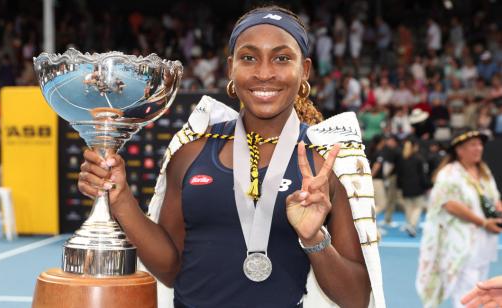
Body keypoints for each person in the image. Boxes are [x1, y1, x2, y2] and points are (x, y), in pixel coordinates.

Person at [78, 5, 384, 308]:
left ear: (304, 70)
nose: (264, 73)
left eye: (281, 58)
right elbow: (171, 270)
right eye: (249, 58)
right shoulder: (191, 152)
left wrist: (315, 238)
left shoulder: (325, 164)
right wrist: (121, 200)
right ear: (230, 68)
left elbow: (356, 297)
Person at [416, 130, 502, 308]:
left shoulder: (483, 171)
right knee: (466, 293)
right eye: (473, 145)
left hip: (484, 243)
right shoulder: (449, 173)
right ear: (459, 150)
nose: (479, 148)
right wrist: (483, 222)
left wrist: (498, 207)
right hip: (460, 244)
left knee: (481, 287)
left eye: (480, 144)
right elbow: (449, 203)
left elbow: (493, 197)